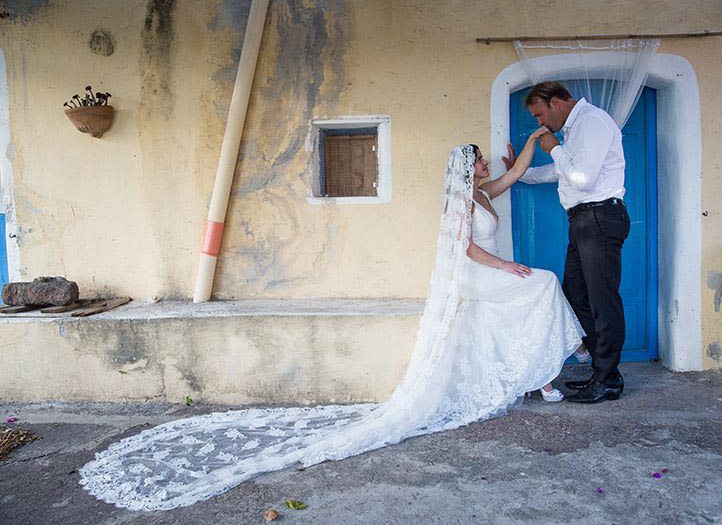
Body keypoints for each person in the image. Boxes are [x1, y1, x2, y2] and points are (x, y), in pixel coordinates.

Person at [79, 138, 583, 511]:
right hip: (476, 275)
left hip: (487, 277)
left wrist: (537, 144)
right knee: (539, 283)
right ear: (465, 167)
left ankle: (538, 374)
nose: (486, 163)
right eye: (478, 160)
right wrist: (505, 267)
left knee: (524, 301)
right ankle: (555, 365)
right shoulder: (459, 200)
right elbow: (464, 248)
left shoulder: (485, 191)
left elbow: (515, 174)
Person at [503, 81, 631, 404]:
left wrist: (553, 148)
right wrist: (521, 172)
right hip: (583, 221)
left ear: (557, 102)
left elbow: (582, 179)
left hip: (599, 216)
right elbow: (561, 172)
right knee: (576, 295)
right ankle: (601, 370)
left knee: (603, 300)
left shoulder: (592, 122)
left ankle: (608, 380)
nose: (540, 124)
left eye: (540, 114)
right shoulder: (575, 129)